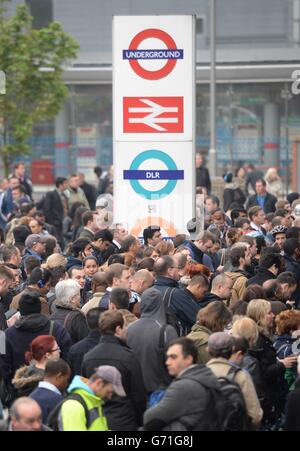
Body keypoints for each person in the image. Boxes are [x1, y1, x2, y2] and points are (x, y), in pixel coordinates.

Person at [81, 310, 147, 431]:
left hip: (98, 421)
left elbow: (86, 394)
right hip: (124, 421)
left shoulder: (88, 357)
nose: (127, 330)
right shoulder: (129, 357)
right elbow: (139, 396)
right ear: (118, 329)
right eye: (125, 326)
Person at [143, 337, 220, 431]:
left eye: (173, 357)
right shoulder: (205, 376)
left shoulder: (183, 386)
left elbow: (149, 418)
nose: (167, 362)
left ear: (188, 359)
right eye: (168, 357)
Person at [0, 293, 72, 385]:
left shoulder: (6, 335)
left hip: (18, 389)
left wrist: (12, 387)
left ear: (20, 311)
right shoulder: (58, 329)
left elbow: (3, 367)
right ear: (39, 308)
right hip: (51, 386)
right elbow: (67, 359)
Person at [127, 288, 178, 398]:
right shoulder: (166, 331)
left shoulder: (129, 329)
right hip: (160, 393)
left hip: (134, 393)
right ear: (161, 303)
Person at [206, 332, 263, 429]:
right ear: (232, 349)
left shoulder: (198, 374)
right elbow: (255, 416)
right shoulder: (240, 375)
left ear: (208, 350)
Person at [56, 366, 125, 431]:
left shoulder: (93, 402)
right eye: (109, 392)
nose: (110, 397)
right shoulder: (74, 405)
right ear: (99, 383)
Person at [29, 359, 71, 424]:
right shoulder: (58, 401)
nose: (67, 384)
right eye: (67, 379)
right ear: (59, 376)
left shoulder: (31, 396)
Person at [50, 280, 89, 344]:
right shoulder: (77, 317)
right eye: (79, 294)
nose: (80, 297)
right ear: (72, 299)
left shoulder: (53, 314)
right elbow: (85, 341)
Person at [68, 308, 102, 377]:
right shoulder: (113, 347)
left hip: (81, 386)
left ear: (87, 323)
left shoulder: (75, 349)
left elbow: (71, 376)